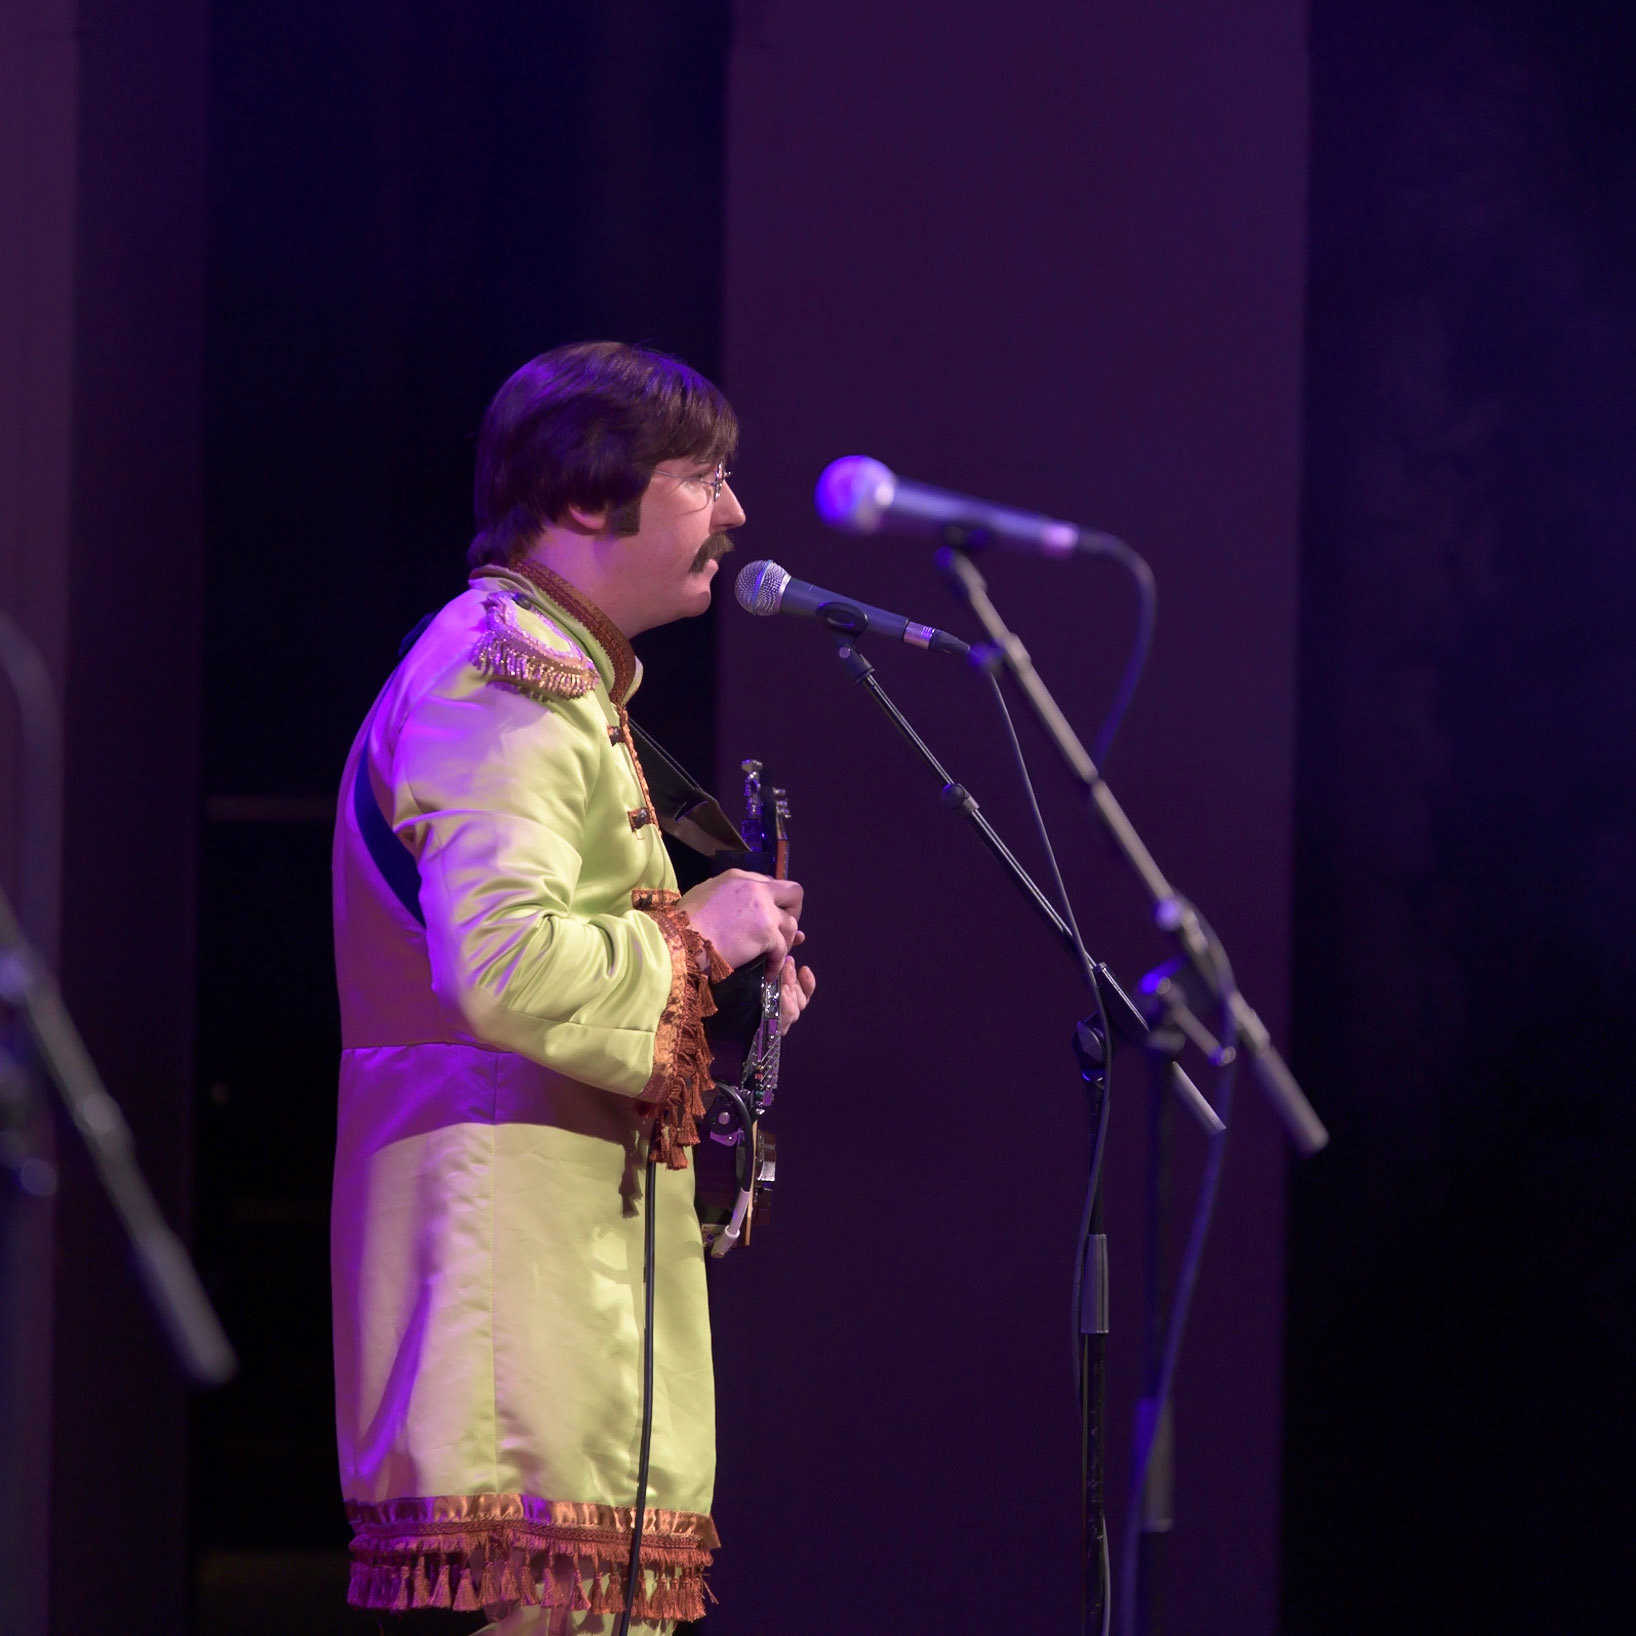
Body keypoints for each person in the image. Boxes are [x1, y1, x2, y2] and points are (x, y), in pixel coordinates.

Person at [330, 341, 814, 1634]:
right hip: (512, 1290)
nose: (735, 514)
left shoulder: (558, 676)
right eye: (705, 478)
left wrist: (721, 981)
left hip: (559, 1272)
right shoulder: (504, 678)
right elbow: (500, 965)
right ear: (594, 500)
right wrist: (697, 941)